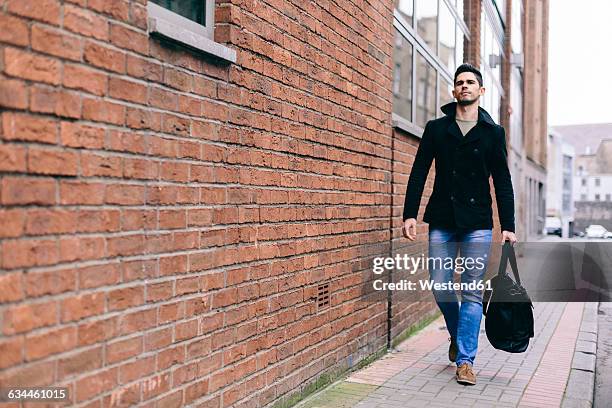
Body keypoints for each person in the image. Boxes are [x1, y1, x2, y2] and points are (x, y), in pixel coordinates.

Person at [402, 63, 518, 385]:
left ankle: (465, 361)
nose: (464, 86)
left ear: (481, 91)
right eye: (459, 83)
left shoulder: (493, 134)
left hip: (478, 221)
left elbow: (503, 182)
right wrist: (409, 214)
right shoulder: (436, 129)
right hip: (442, 219)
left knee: (470, 290)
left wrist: (507, 224)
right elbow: (418, 172)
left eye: (470, 82)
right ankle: (458, 334)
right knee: (441, 286)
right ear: (454, 92)